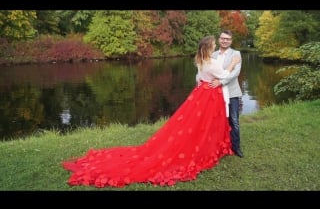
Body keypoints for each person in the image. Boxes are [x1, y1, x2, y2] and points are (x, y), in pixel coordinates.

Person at [62, 35, 240, 188]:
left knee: (197, 125)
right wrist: (232, 63)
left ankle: (208, 147)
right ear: (209, 47)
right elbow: (224, 75)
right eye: (215, 44)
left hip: (202, 93)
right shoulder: (211, 63)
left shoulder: (201, 61)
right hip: (208, 96)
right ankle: (206, 150)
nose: (217, 45)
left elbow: (201, 78)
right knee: (204, 125)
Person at [208, 30, 243, 158]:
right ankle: (218, 145)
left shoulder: (236, 54)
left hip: (232, 92)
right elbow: (208, 71)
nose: (225, 41)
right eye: (223, 38)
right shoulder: (213, 54)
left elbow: (235, 73)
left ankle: (236, 147)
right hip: (215, 93)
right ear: (219, 39)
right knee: (216, 120)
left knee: (233, 120)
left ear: (231, 41)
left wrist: (221, 82)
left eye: (228, 39)